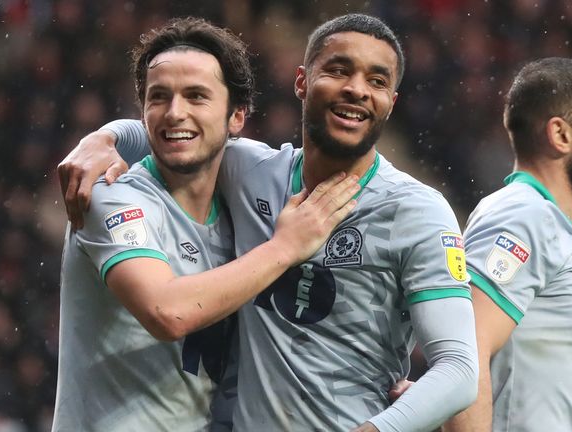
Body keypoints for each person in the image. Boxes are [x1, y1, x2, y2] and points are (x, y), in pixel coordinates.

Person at [58, 13, 478, 432]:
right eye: (337, 70)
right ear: (302, 82)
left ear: (392, 102)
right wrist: (106, 138)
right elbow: (187, 130)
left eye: (377, 81)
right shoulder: (252, 173)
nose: (356, 89)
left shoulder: (418, 210)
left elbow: (459, 369)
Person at [52, 17, 358, 431]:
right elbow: (167, 312)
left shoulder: (243, 205)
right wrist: (284, 248)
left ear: (236, 117)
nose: (175, 113)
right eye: (159, 97)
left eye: (196, 96)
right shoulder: (108, 193)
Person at [444, 57, 572, 431]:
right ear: (561, 135)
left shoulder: (541, 222)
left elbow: (524, 384)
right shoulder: (524, 217)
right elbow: (465, 355)